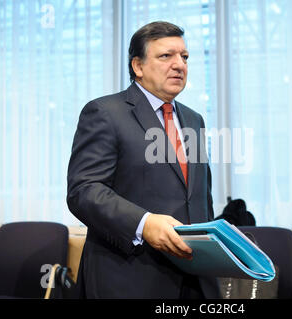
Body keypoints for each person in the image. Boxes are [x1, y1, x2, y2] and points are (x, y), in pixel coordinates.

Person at [67, 21, 220, 299]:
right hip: (130, 278)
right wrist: (144, 223)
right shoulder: (104, 112)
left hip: (195, 282)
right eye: (166, 56)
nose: (179, 65)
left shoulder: (195, 120)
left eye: (184, 57)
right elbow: (84, 191)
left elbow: (199, 198)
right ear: (137, 66)